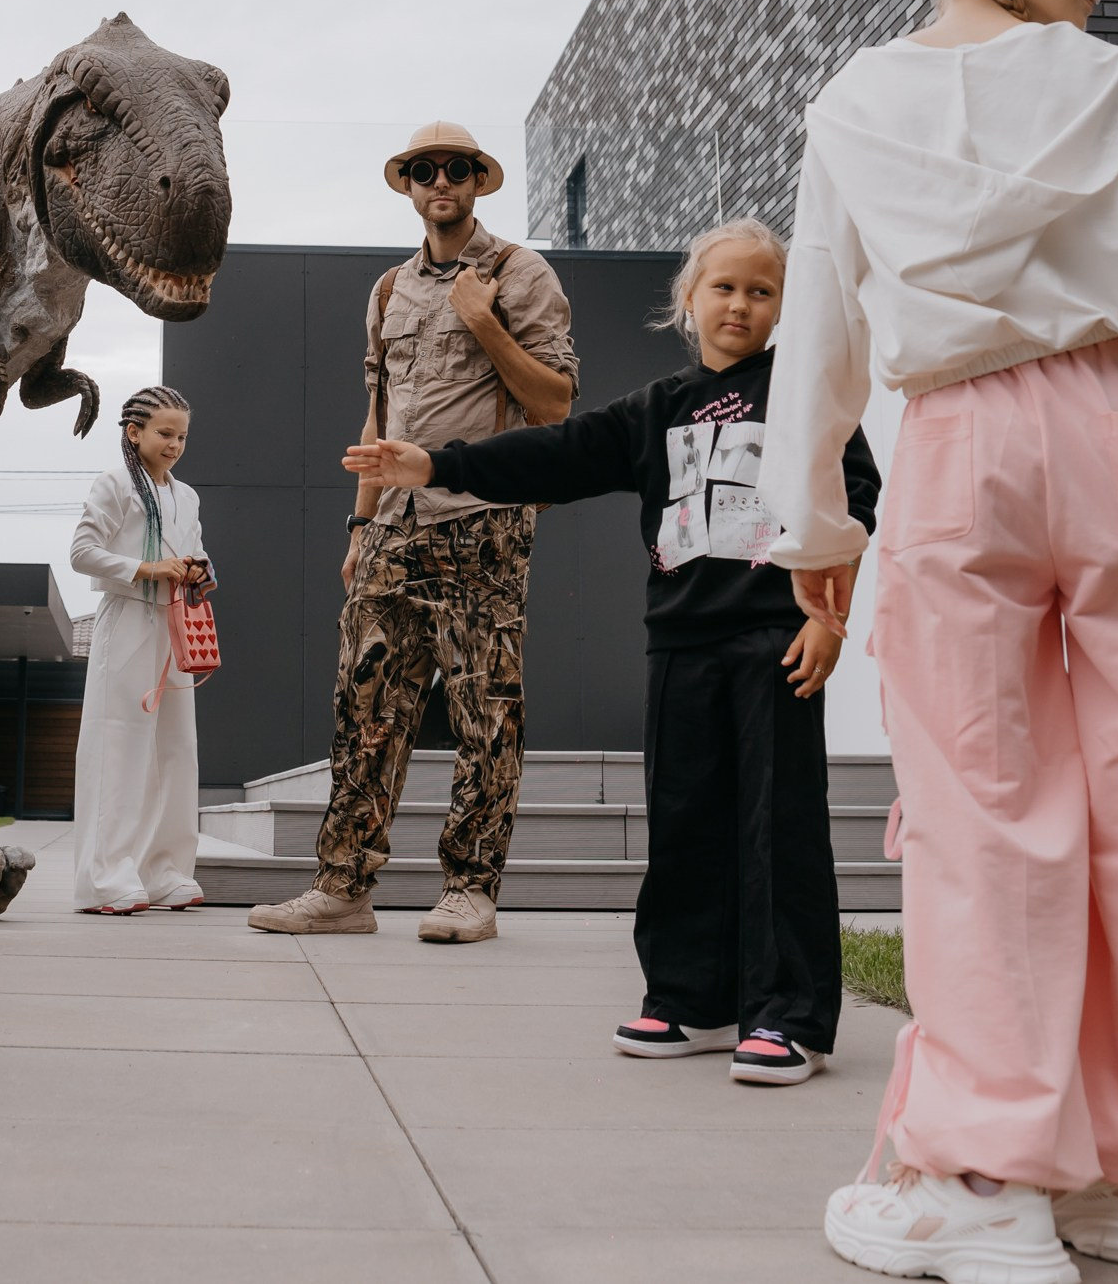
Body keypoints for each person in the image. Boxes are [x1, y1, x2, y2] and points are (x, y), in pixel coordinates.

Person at [759, 0, 1118, 1280]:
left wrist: (815, 527)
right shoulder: (1108, 85)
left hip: (962, 445)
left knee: (981, 809)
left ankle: (990, 1174)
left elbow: (822, 316)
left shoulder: (857, 101)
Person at [346, 220, 880, 1084]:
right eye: (724, 287)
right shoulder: (657, 407)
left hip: (774, 642)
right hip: (679, 643)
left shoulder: (805, 393)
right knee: (684, 825)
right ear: (689, 300)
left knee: (776, 826)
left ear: (783, 308)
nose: (740, 304)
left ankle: (791, 1017)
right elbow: (556, 453)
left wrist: (828, 617)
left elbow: (856, 497)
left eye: (761, 290)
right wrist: (435, 463)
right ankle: (690, 999)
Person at [250, 122, 578, 943]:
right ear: (407, 185)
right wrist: (359, 524)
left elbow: (557, 405)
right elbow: (379, 415)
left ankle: (471, 889)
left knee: (484, 713)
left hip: (483, 526)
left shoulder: (519, 273)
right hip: (392, 531)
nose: (442, 181)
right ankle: (342, 887)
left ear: (478, 183)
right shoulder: (389, 290)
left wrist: (487, 323)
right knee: (363, 710)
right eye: (426, 170)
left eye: (458, 169)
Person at [68, 387, 213, 915]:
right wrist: (146, 569)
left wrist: (199, 569)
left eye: (182, 436)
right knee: (118, 748)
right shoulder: (114, 485)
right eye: (165, 434)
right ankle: (106, 878)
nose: (175, 444)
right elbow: (82, 552)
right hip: (127, 621)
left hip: (175, 624)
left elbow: (193, 548)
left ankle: (166, 871)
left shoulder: (187, 496)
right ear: (134, 432)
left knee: (176, 749)